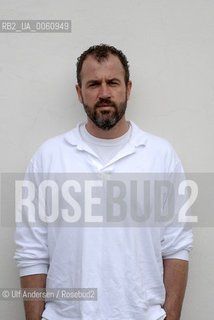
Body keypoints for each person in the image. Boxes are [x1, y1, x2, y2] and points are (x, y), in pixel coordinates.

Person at [14, 44, 193, 320]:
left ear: (128, 88)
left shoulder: (161, 157)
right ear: (79, 92)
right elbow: (32, 252)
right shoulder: (48, 158)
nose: (104, 93)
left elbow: (176, 247)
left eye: (113, 82)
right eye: (93, 84)